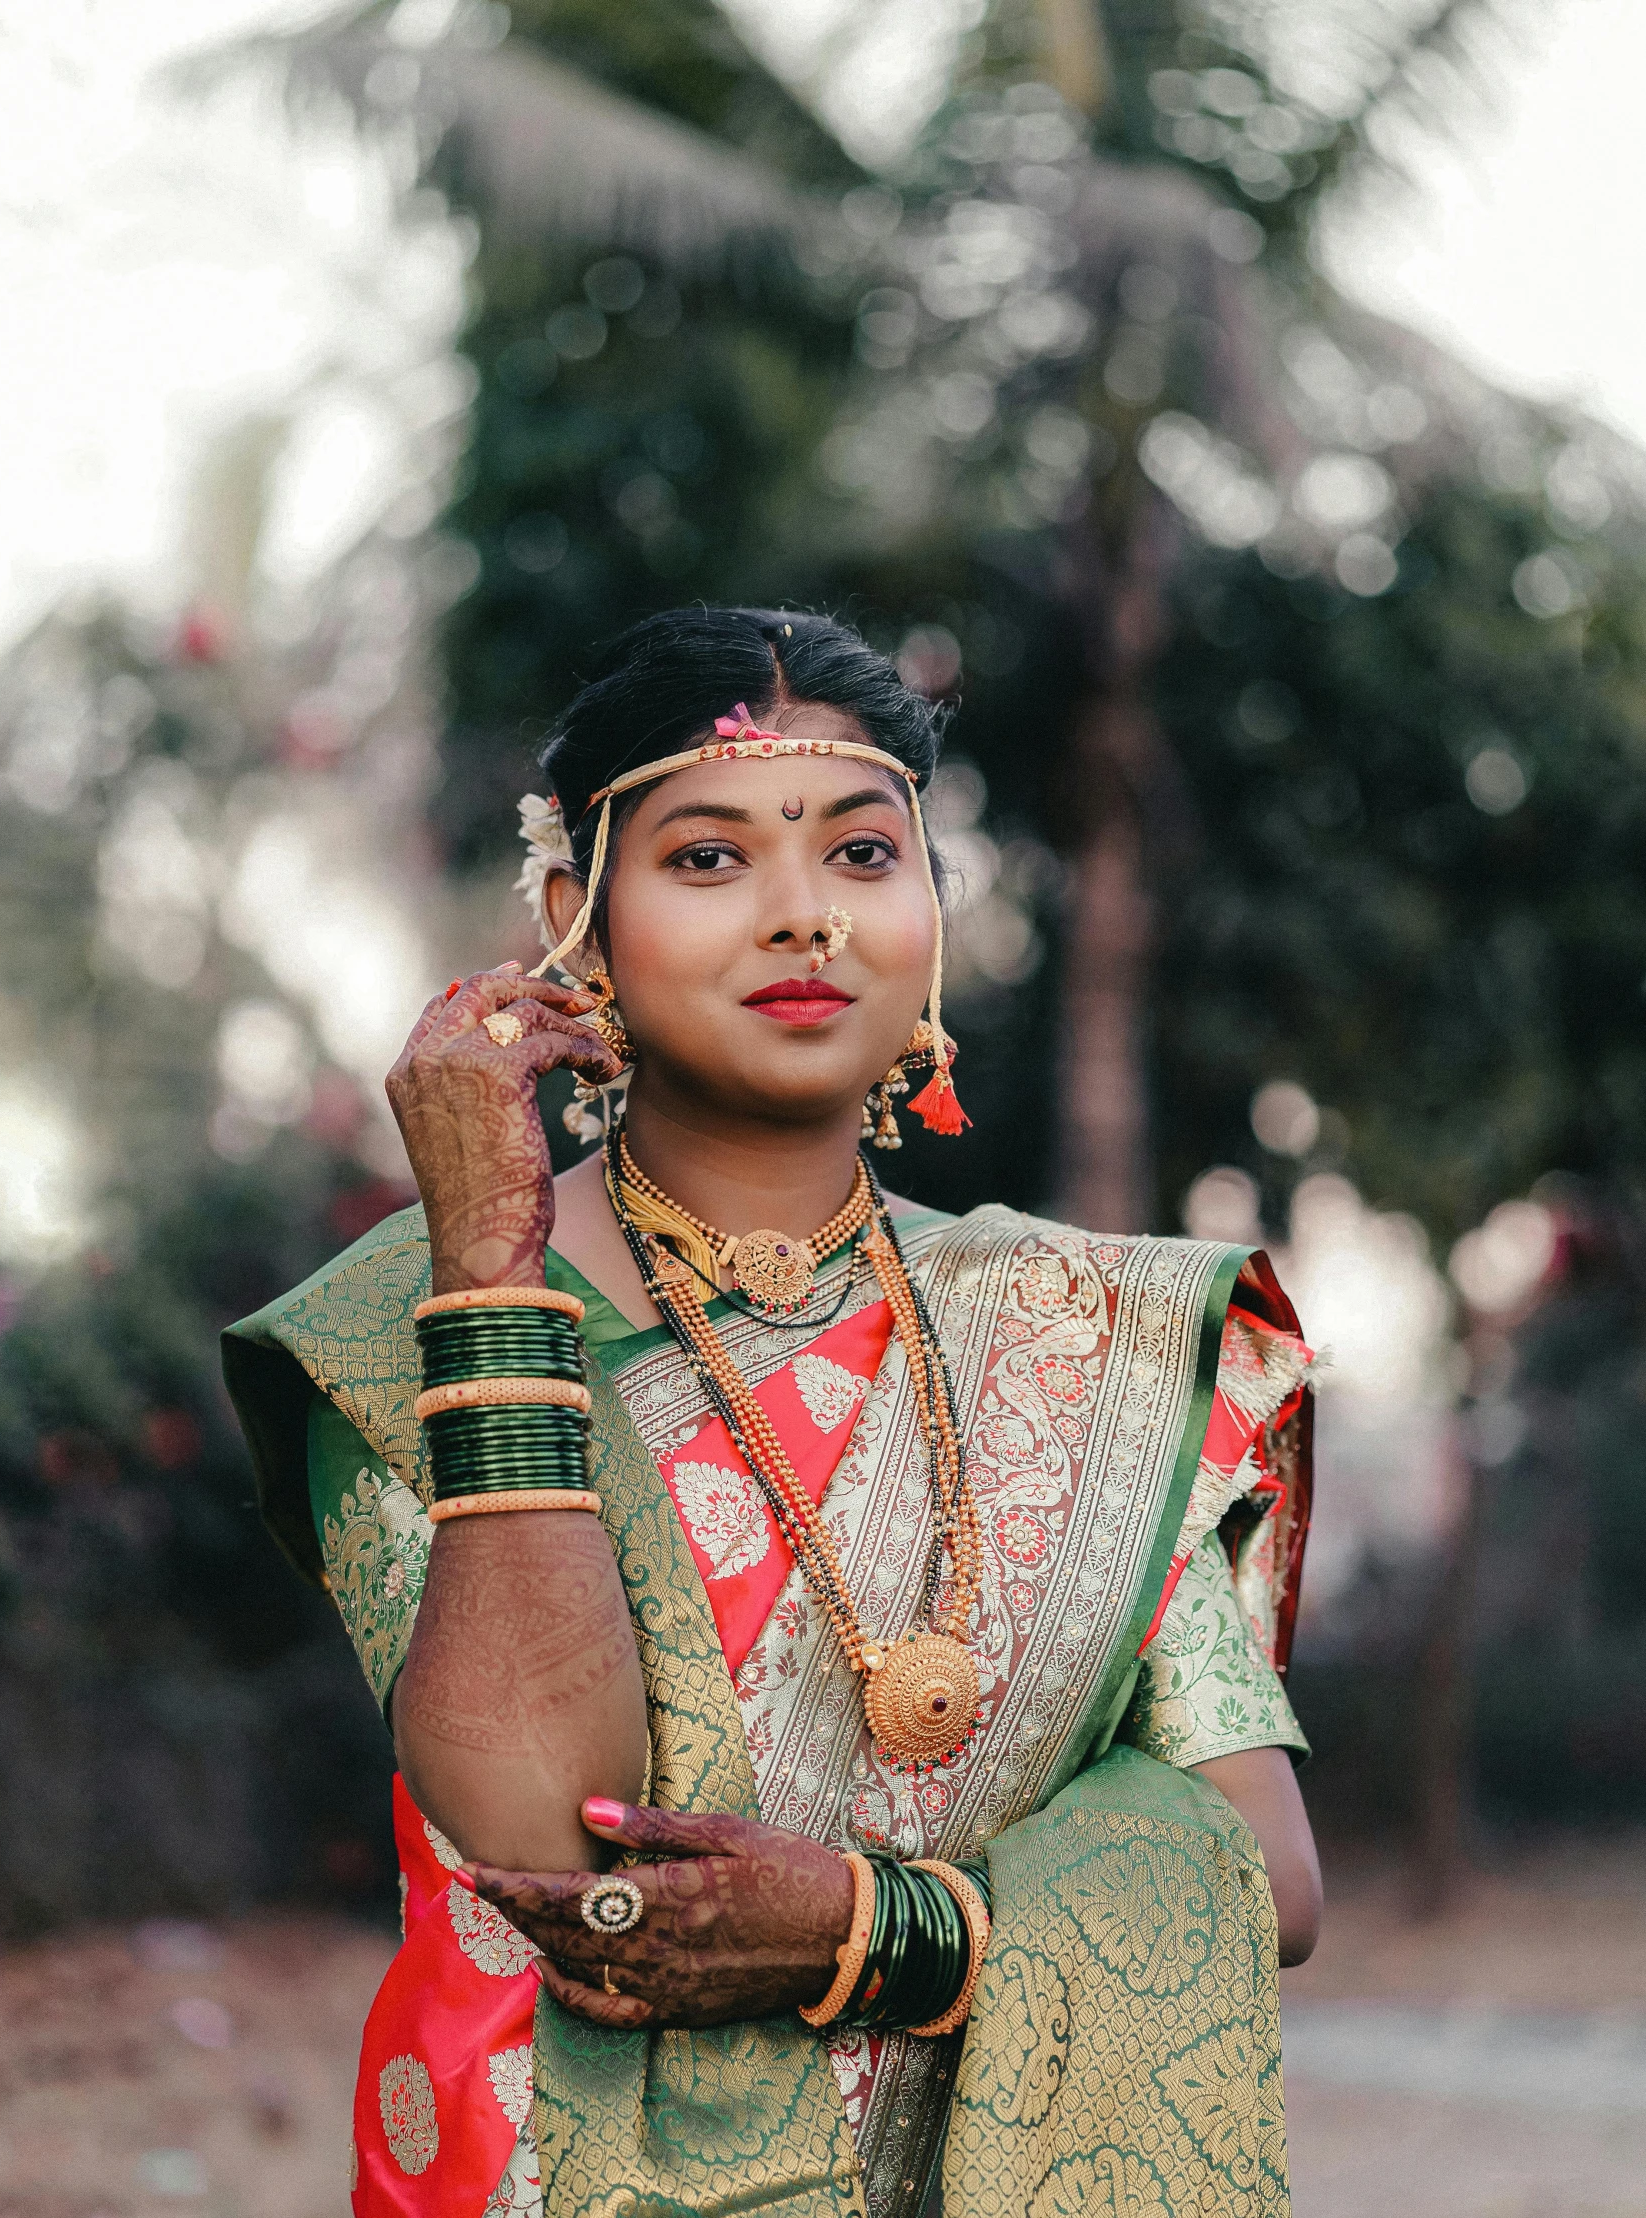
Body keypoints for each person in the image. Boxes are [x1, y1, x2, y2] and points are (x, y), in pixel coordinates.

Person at [223, 607, 1321, 2218]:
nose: (805, 917)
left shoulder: (1094, 1340)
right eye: (711, 860)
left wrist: (882, 1931)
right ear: (570, 918)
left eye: (865, 855)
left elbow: (1262, 1875)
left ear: (931, 912)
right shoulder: (417, 1322)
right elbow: (544, 1824)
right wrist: (487, 1267)